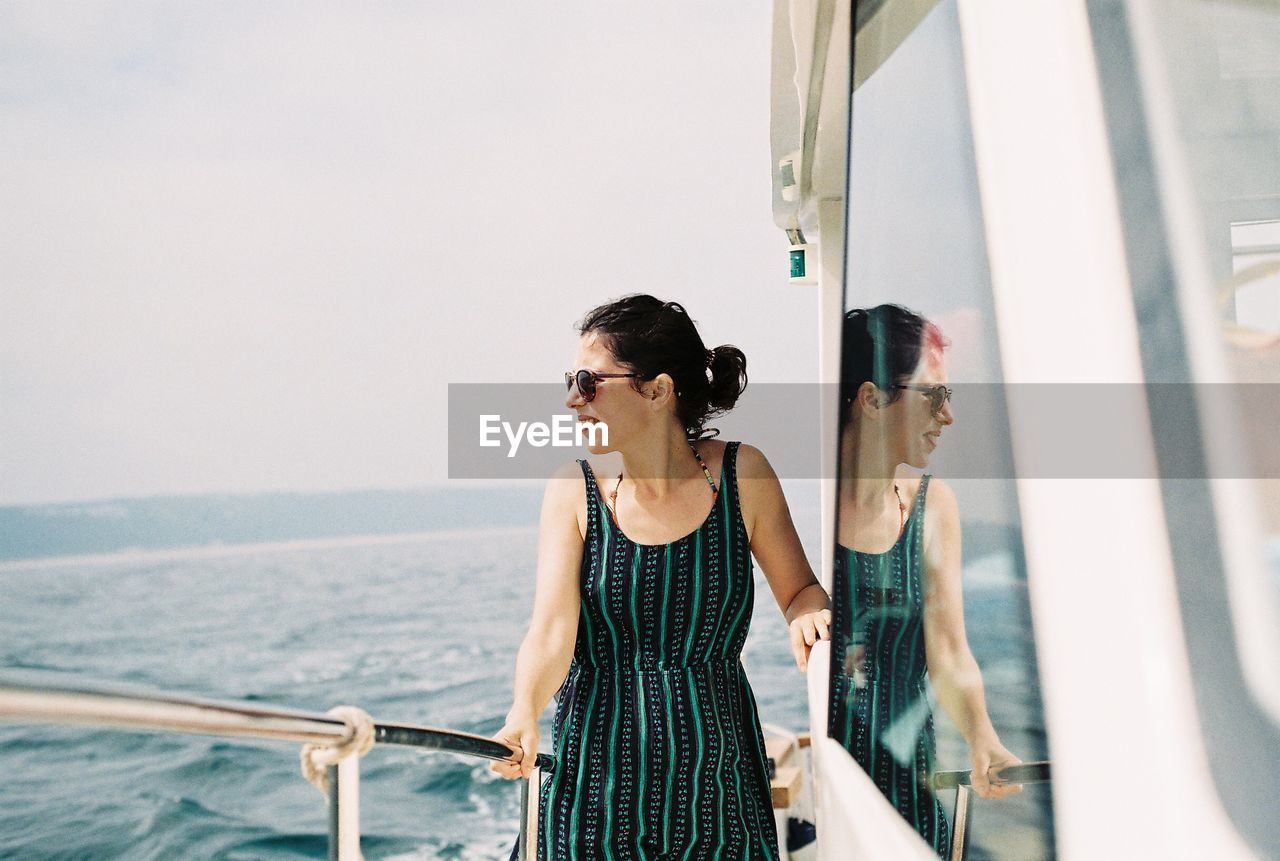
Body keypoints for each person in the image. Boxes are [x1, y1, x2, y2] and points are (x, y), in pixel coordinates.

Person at [492, 294, 831, 860]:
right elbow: (551, 633)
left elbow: (799, 590)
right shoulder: (573, 491)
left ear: (657, 389)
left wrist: (811, 614)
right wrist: (523, 711)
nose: (572, 399)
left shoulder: (742, 475)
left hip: (717, 786)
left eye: (589, 381)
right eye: (570, 381)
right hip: (591, 789)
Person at [830, 304, 1021, 858]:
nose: (948, 416)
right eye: (932, 395)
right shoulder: (807, 513)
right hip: (838, 793)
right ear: (870, 399)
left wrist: (983, 738)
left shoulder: (933, 506)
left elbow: (950, 652)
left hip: (915, 795)